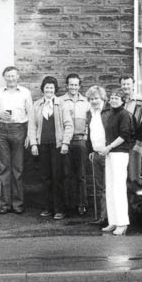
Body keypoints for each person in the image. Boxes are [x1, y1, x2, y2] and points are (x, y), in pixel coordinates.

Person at [0, 65, 32, 213]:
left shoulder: (25, 93)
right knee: (3, 168)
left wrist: (29, 135)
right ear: (4, 78)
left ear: (18, 76)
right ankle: (4, 204)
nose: (11, 78)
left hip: (19, 129)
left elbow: (31, 115)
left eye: (13, 76)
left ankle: (18, 204)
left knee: (18, 168)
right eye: (8, 76)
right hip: (2, 129)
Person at [56, 74, 92, 223]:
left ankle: (82, 204)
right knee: (66, 174)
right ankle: (67, 205)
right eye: (71, 85)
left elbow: (90, 121)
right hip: (66, 141)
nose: (73, 87)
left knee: (81, 174)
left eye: (76, 85)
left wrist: (85, 136)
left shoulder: (86, 102)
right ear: (66, 86)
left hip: (80, 141)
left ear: (80, 86)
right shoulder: (60, 101)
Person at [98, 86, 131, 235]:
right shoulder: (111, 114)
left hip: (120, 153)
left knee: (118, 188)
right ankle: (113, 221)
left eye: (116, 98)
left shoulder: (124, 115)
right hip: (111, 153)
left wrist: (109, 147)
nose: (113, 100)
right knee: (110, 187)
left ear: (123, 101)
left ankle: (122, 223)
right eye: (111, 98)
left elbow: (124, 135)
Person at [28, 76, 62, 218]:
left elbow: (68, 124)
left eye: (52, 88)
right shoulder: (36, 105)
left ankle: (59, 209)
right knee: (45, 177)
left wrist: (65, 143)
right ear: (43, 89)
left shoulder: (61, 104)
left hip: (58, 146)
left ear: (55, 90)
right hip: (42, 146)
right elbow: (32, 126)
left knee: (57, 177)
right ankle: (47, 207)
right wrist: (34, 144)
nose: (49, 90)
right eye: (47, 87)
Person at [83, 85, 109, 224]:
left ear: (102, 98)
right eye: (91, 99)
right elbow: (90, 134)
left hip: (108, 153)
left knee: (107, 187)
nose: (94, 101)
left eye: (96, 98)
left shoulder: (109, 112)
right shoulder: (89, 113)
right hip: (96, 153)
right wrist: (91, 151)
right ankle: (101, 216)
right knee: (99, 187)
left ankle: (107, 217)